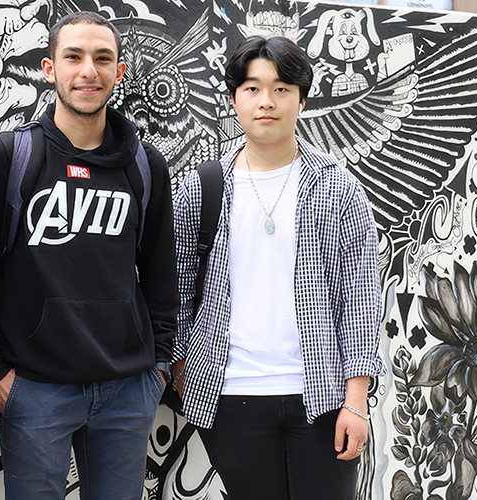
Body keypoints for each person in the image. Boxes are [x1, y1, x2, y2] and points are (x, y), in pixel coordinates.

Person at [0, 11, 177, 500]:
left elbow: (162, 278)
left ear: (120, 72)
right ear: (48, 68)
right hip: (35, 389)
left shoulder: (146, 166)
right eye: (73, 57)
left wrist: (158, 367)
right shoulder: (8, 157)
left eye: (103, 59)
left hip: (127, 389)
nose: (88, 71)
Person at [172, 36, 382, 499]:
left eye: (282, 88)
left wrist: (357, 400)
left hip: (322, 395)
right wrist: (183, 363)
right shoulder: (203, 186)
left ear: (302, 99)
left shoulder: (336, 186)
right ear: (233, 99)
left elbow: (361, 296)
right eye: (252, 88)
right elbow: (179, 289)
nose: (266, 101)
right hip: (231, 394)